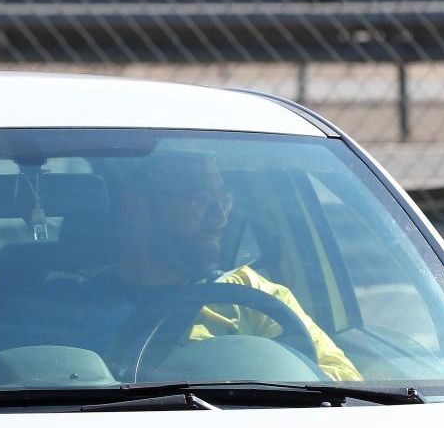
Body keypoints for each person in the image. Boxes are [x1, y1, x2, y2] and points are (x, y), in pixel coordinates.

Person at [105, 151, 362, 382]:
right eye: (200, 199)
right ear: (137, 205)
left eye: (223, 200)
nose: (220, 217)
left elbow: (343, 382)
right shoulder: (76, 304)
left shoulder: (255, 296)